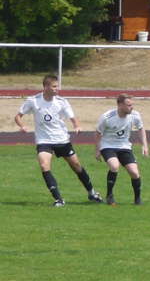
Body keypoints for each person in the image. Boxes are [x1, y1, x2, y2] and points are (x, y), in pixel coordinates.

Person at [14, 74, 103, 207]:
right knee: (44, 166)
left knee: (76, 166)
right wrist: (22, 126)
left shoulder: (62, 101)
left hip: (62, 139)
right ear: (45, 87)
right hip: (44, 140)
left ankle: (92, 192)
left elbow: (72, 117)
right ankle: (58, 199)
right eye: (54, 86)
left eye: (57, 86)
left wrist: (77, 126)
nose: (57, 89)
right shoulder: (33, 100)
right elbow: (18, 116)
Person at [95, 93, 150, 205]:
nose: (132, 107)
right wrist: (97, 150)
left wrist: (145, 145)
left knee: (134, 173)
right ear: (120, 105)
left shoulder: (135, 115)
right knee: (115, 166)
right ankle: (109, 195)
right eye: (128, 105)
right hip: (108, 146)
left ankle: (137, 199)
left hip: (125, 147)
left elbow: (141, 129)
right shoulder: (107, 117)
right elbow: (98, 132)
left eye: (132, 105)